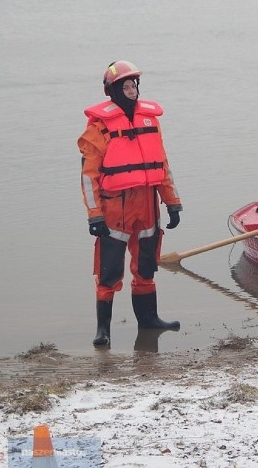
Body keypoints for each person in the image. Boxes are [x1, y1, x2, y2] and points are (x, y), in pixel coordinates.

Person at [78, 60, 183, 347]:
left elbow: (162, 165)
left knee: (146, 266)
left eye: (134, 84)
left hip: (148, 204)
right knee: (109, 271)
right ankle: (104, 330)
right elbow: (89, 177)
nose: (131, 89)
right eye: (125, 85)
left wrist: (172, 202)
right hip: (115, 209)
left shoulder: (151, 122)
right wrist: (94, 214)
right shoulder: (98, 129)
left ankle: (149, 320)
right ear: (112, 91)